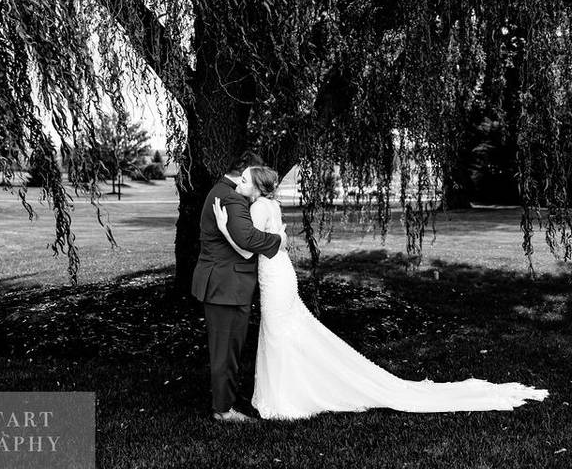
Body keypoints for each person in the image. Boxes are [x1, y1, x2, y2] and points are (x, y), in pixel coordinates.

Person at [213, 164, 549, 420]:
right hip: (281, 274)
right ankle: (294, 389)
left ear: (257, 187)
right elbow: (274, 241)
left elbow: (247, 250)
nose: (238, 184)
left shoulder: (257, 208)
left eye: (243, 181)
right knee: (285, 332)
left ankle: (287, 397)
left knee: (278, 333)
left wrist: (225, 225)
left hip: (274, 276)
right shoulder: (270, 206)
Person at [191, 151, 288, 423]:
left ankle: (227, 400)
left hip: (224, 284)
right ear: (247, 170)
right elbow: (248, 239)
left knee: (228, 348)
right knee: (226, 351)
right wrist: (279, 239)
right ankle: (223, 410)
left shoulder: (222, 190)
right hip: (226, 287)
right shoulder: (232, 197)